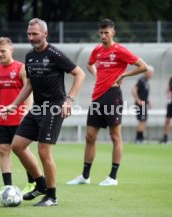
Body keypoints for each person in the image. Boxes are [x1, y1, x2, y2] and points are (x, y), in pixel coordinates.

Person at [3, 18, 85, 206]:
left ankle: (52, 196)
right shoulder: (30, 56)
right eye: (29, 34)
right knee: (17, 146)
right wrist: (13, 105)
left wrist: (69, 100)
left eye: (35, 34)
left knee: (43, 150)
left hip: (54, 107)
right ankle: (40, 185)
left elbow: (80, 74)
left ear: (45, 34)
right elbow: (29, 85)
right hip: (38, 107)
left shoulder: (55, 54)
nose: (31, 37)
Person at [67, 18, 147, 186]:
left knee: (115, 136)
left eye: (106, 33)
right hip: (97, 96)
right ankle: (85, 176)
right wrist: (97, 75)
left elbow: (142, 66)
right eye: (101, 33)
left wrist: (123, 75)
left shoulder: (120, 50)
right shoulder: (96, 50)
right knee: (90, 136)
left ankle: (113, 177)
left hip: (113, 95)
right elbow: (89, 65)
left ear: (113, 33)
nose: (103, 36)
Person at [0, 37, 35, 197]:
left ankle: (32, 183)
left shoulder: (21, 68)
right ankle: (7, 187)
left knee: (23, 151)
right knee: (3, 150)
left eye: (3, 51)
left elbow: (29, 92)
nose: (0, 54)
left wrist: (26, 112)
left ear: (11, 50)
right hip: (2, 120)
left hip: (19, 119)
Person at [132, 65, 154, 143]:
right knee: (142, 120)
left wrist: (148, 102)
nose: (152, 74)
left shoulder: (146, 82)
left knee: (144, 120)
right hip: (140, 105)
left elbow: (144, 94)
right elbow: (134, 89)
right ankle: (138, 138)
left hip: (144, 104)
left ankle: (141, 138)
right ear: (147, 72)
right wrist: (137, 100)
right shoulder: (141, 80)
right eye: (151, 73)